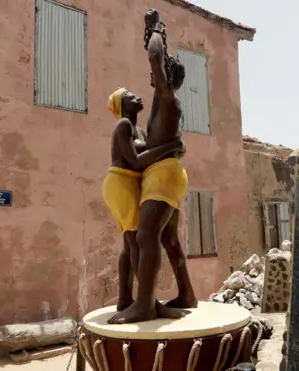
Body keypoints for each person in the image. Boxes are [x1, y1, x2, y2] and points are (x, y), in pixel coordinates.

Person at [108, 8, 197, 324]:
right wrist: (172, 146)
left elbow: (156, 56)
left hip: (163, 176)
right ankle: (187, 293)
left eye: (159, 74)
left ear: (166, 77)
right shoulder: (164, 103)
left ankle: (144, 305)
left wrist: (154, 28)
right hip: (166, 173)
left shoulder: (166, 95)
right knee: (168, 239)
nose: (152, 77)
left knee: (145, 237)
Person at [103, 87, 187, 320]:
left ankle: (125, 300)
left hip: (130, 183)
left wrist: (174, 149)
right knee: (136, 242)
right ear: (121, 105)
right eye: (129, 96)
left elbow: (152, 153)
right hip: (122, 182)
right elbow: (136, 161)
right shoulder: (124, 126)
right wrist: (172, 147)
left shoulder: (139, 130)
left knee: (130, 244)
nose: (136, 96)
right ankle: (149, 303)